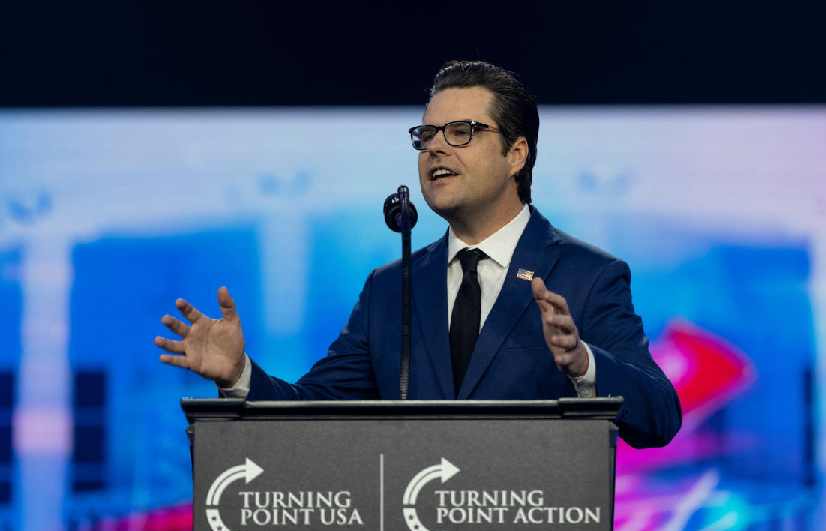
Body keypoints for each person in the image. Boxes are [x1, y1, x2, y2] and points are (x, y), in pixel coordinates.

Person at [154, 60, 681, 448]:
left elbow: (659, 415)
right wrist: (239, 375)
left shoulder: (587, 276)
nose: (435, 148)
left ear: (516, 154)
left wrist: (583, 362)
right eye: (426, 135)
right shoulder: (389, 289)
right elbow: (311, 412)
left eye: (461, 133)